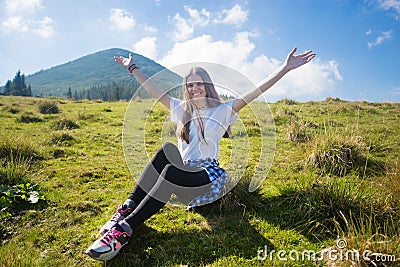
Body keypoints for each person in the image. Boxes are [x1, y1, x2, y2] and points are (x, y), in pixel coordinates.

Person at [85, 47, 315, 261]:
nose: (194, 89)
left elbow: (255, 91)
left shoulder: (223, 110)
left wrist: (285, 68)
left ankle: (123, 231)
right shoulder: (181, 109)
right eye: (190, 86)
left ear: (207, 86)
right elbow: (155, 91)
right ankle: (126, 209)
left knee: (171, 171)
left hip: (206, 176)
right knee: (167, 151)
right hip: (183, 174)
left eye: (199, 85)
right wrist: (132, 68)